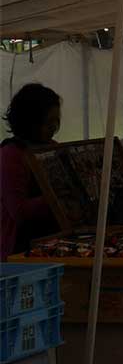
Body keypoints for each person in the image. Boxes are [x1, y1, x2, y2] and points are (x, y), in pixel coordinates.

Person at [2, 84, 61, 260]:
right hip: (19, 252)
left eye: (56, 122)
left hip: (51, 245)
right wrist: (59, 197)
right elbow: (19, 211)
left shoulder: (53, 148)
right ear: (30, 121)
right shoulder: (11, 154)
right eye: (48, 122)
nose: (53, 127)